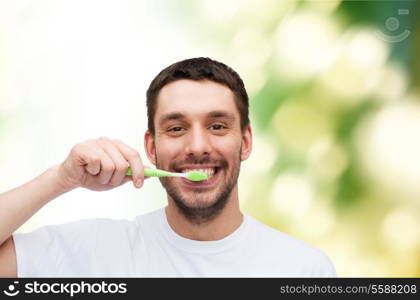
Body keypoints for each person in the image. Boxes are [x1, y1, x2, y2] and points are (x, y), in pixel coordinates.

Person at [0, 57, 336, 277]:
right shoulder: (93, 251)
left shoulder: (304, 269)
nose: (198, 146)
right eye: (176, 128)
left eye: (217, 126)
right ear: (151, 148)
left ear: (245, 142)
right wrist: (59, 178)